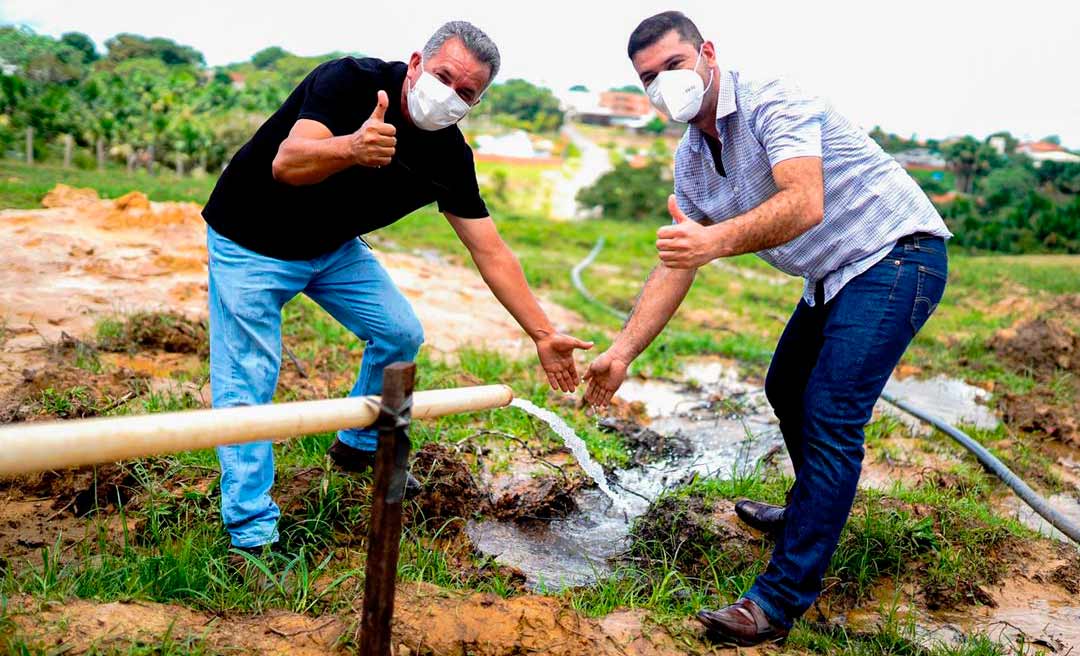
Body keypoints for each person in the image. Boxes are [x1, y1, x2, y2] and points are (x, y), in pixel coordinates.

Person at [584, 11, 950, 646]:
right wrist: (622, 351)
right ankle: (811, 512)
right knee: (786, 388)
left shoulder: (772, 99)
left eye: (674, 65)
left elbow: (803, 202)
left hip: (895, 254)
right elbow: (677, 262)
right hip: (834, 274)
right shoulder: (692, 159)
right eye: (648, 78)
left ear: (707, 53)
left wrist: (713, 242)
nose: (664, 84)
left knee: (831, 412)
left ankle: (778, 602)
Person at [201, 21, 592, 555]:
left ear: (476, 103)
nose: (449, 95)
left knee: (399, 333)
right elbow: (288, 163)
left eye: (466, 93)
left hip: (332, 247)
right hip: (250, 239)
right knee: (248, 378)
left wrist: (543, 333)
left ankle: (357, 445)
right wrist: (351, 148)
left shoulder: (449, 156)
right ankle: (252, 533)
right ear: (415, 64)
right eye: (443, 77)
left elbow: (490, 250)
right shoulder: (349, 81)